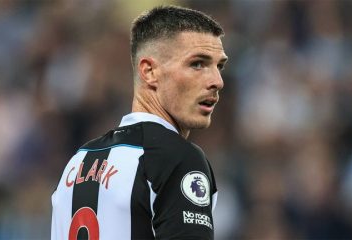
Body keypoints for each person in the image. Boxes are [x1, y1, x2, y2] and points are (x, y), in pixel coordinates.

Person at [51, 5, 228, 240]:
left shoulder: (77, 162)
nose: (217, 81)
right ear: (149, 71)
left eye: (219, 66)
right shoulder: (177, 158)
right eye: (197, 64)